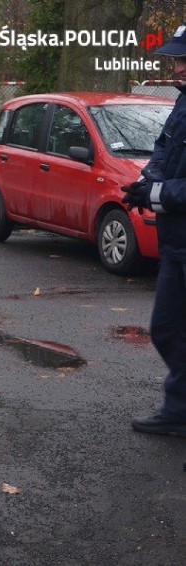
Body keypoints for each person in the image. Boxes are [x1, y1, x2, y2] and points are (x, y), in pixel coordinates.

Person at [121, 23, 186, 437]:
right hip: (176, 244)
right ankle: (179, 409)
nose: (177, 68)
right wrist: (148, 182)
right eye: (177, 60)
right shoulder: (182, 104)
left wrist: (159, 192)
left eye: (183, 60)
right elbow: (163, 147)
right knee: (166, 329)